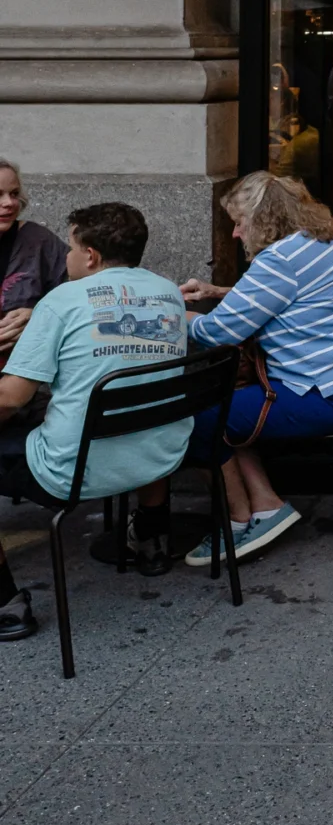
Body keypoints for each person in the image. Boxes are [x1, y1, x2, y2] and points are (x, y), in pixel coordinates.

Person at [0, 201, 190, 643]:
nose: (65, 257)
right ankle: (151, 541)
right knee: (140, 408)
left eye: (70, 247)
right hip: (160, 455)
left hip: (72, 471)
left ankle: (6, 604)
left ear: (90, 255)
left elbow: (11, 399)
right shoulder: (168, 292)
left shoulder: (61, 301)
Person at [177, 170, 333, 566]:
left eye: (240, 222)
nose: (236, 233)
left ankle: (237, 521)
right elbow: (294, 295)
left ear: (263, 219)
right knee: (232, 398)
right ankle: (266, 504)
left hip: (328, 397)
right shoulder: (323, 242)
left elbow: (216, 332)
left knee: (197, 418)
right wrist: (221, 291)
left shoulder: (278, 261)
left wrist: (171, 314)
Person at [0, 159, 67, 364]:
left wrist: (38, 315)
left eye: (14, 193)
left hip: (23, 369)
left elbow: (83, 296)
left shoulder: (38, 241)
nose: (9, 203)